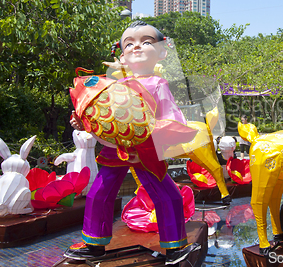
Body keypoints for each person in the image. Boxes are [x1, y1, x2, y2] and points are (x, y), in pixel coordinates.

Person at [64, 21, 200, 265]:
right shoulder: (114, 85)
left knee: (167, 194)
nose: (137, 47)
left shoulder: (158, 84)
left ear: (162, 51)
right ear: (122, 56)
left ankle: (175, 245)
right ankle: (94, 244)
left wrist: (152, 140)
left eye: (146, 42)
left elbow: (170, 117)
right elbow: (102, 116)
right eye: (130, 44)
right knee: (99, 193)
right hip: (114, 148)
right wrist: (82, 120)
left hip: (144, 150)